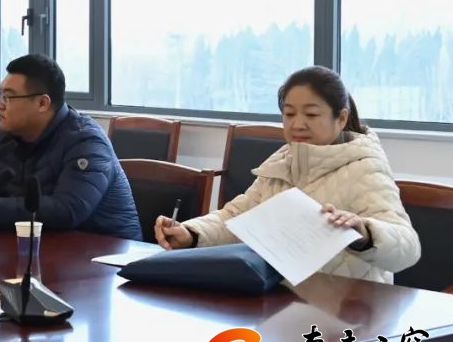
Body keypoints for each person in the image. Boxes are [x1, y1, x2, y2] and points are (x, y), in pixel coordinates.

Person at [154, 66, 421, 285]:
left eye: (311, 114)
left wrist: (365, 233)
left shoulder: (364, 166)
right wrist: (191, 233)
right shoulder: (283, 161)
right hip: (282, 302)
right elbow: (237, 216)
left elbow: (408, 247)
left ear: (341, 118)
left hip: (350, 310)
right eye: (289, 114)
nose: (297, 124)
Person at [0, 54, 141, 239]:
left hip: (107, 257)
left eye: (8, 97)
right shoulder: (2, 136)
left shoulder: (86, 142)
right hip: (40, 247)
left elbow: (67, 210)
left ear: (42, 103)